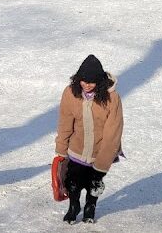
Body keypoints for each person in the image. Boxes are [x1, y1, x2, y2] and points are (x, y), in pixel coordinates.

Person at [55, 54, 124, 224]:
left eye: (92, 82)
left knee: (94, 182)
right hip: (76, 149)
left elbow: (113, 133)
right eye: (84, 81)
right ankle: (74, 206)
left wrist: (102, 164)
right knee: (72, 182)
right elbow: (65, 123)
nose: (87, 85)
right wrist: (61, 150)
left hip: (100, 151)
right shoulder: (71, 93)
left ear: (99, 82)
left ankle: (90, 206)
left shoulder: (112, 98)